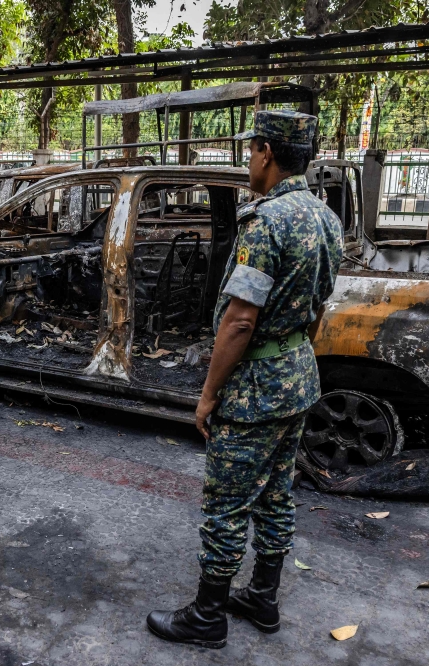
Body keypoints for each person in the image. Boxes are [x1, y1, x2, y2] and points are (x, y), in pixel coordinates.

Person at [146, 110, 343, 649]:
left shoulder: (267, 223)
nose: (248, 160)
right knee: (277, 493)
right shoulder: (326, 219)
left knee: (226, 503)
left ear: (267, 153)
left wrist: (208, 395)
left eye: (251, 150)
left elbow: (239, 319)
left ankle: (207, 618)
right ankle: (263, 596)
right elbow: (318, 304)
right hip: (299, 377)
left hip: (255, 387)